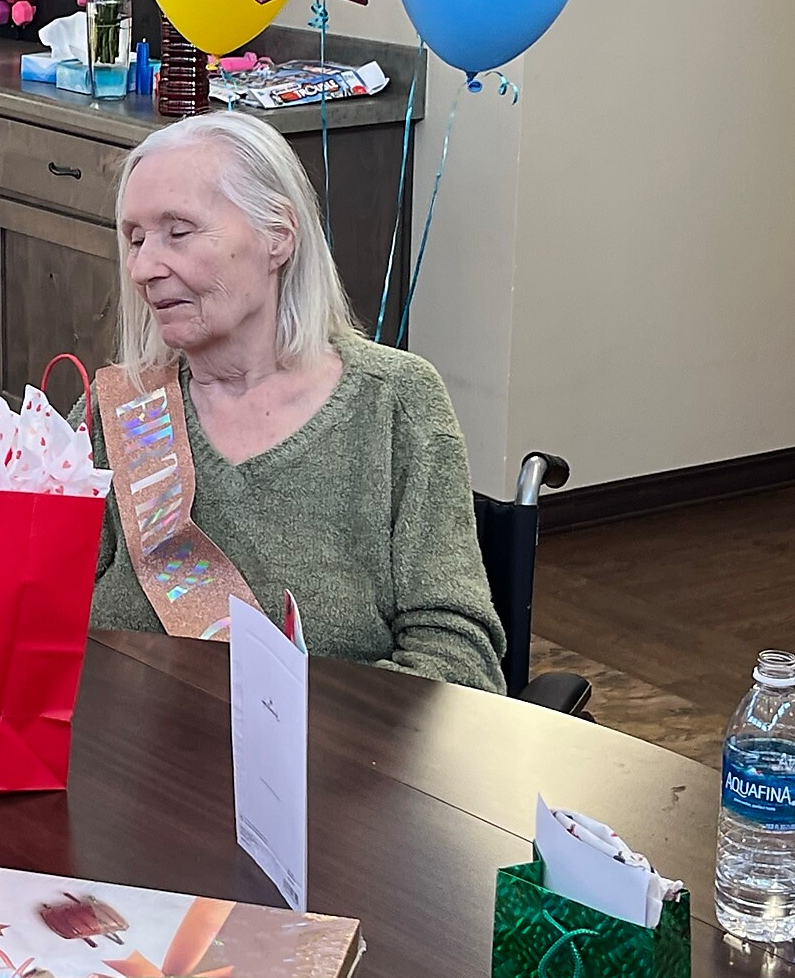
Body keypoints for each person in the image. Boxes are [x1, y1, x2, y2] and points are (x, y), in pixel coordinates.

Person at [84, 110, 506, 692]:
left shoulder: (395, 405)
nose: (143, 268)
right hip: (126, 741)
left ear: (277, 236)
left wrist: (306, 730)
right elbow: (40, 618)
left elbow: (459, 661)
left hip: (331, 749)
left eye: (178, 232)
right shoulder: (120, 412)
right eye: (135, 239)